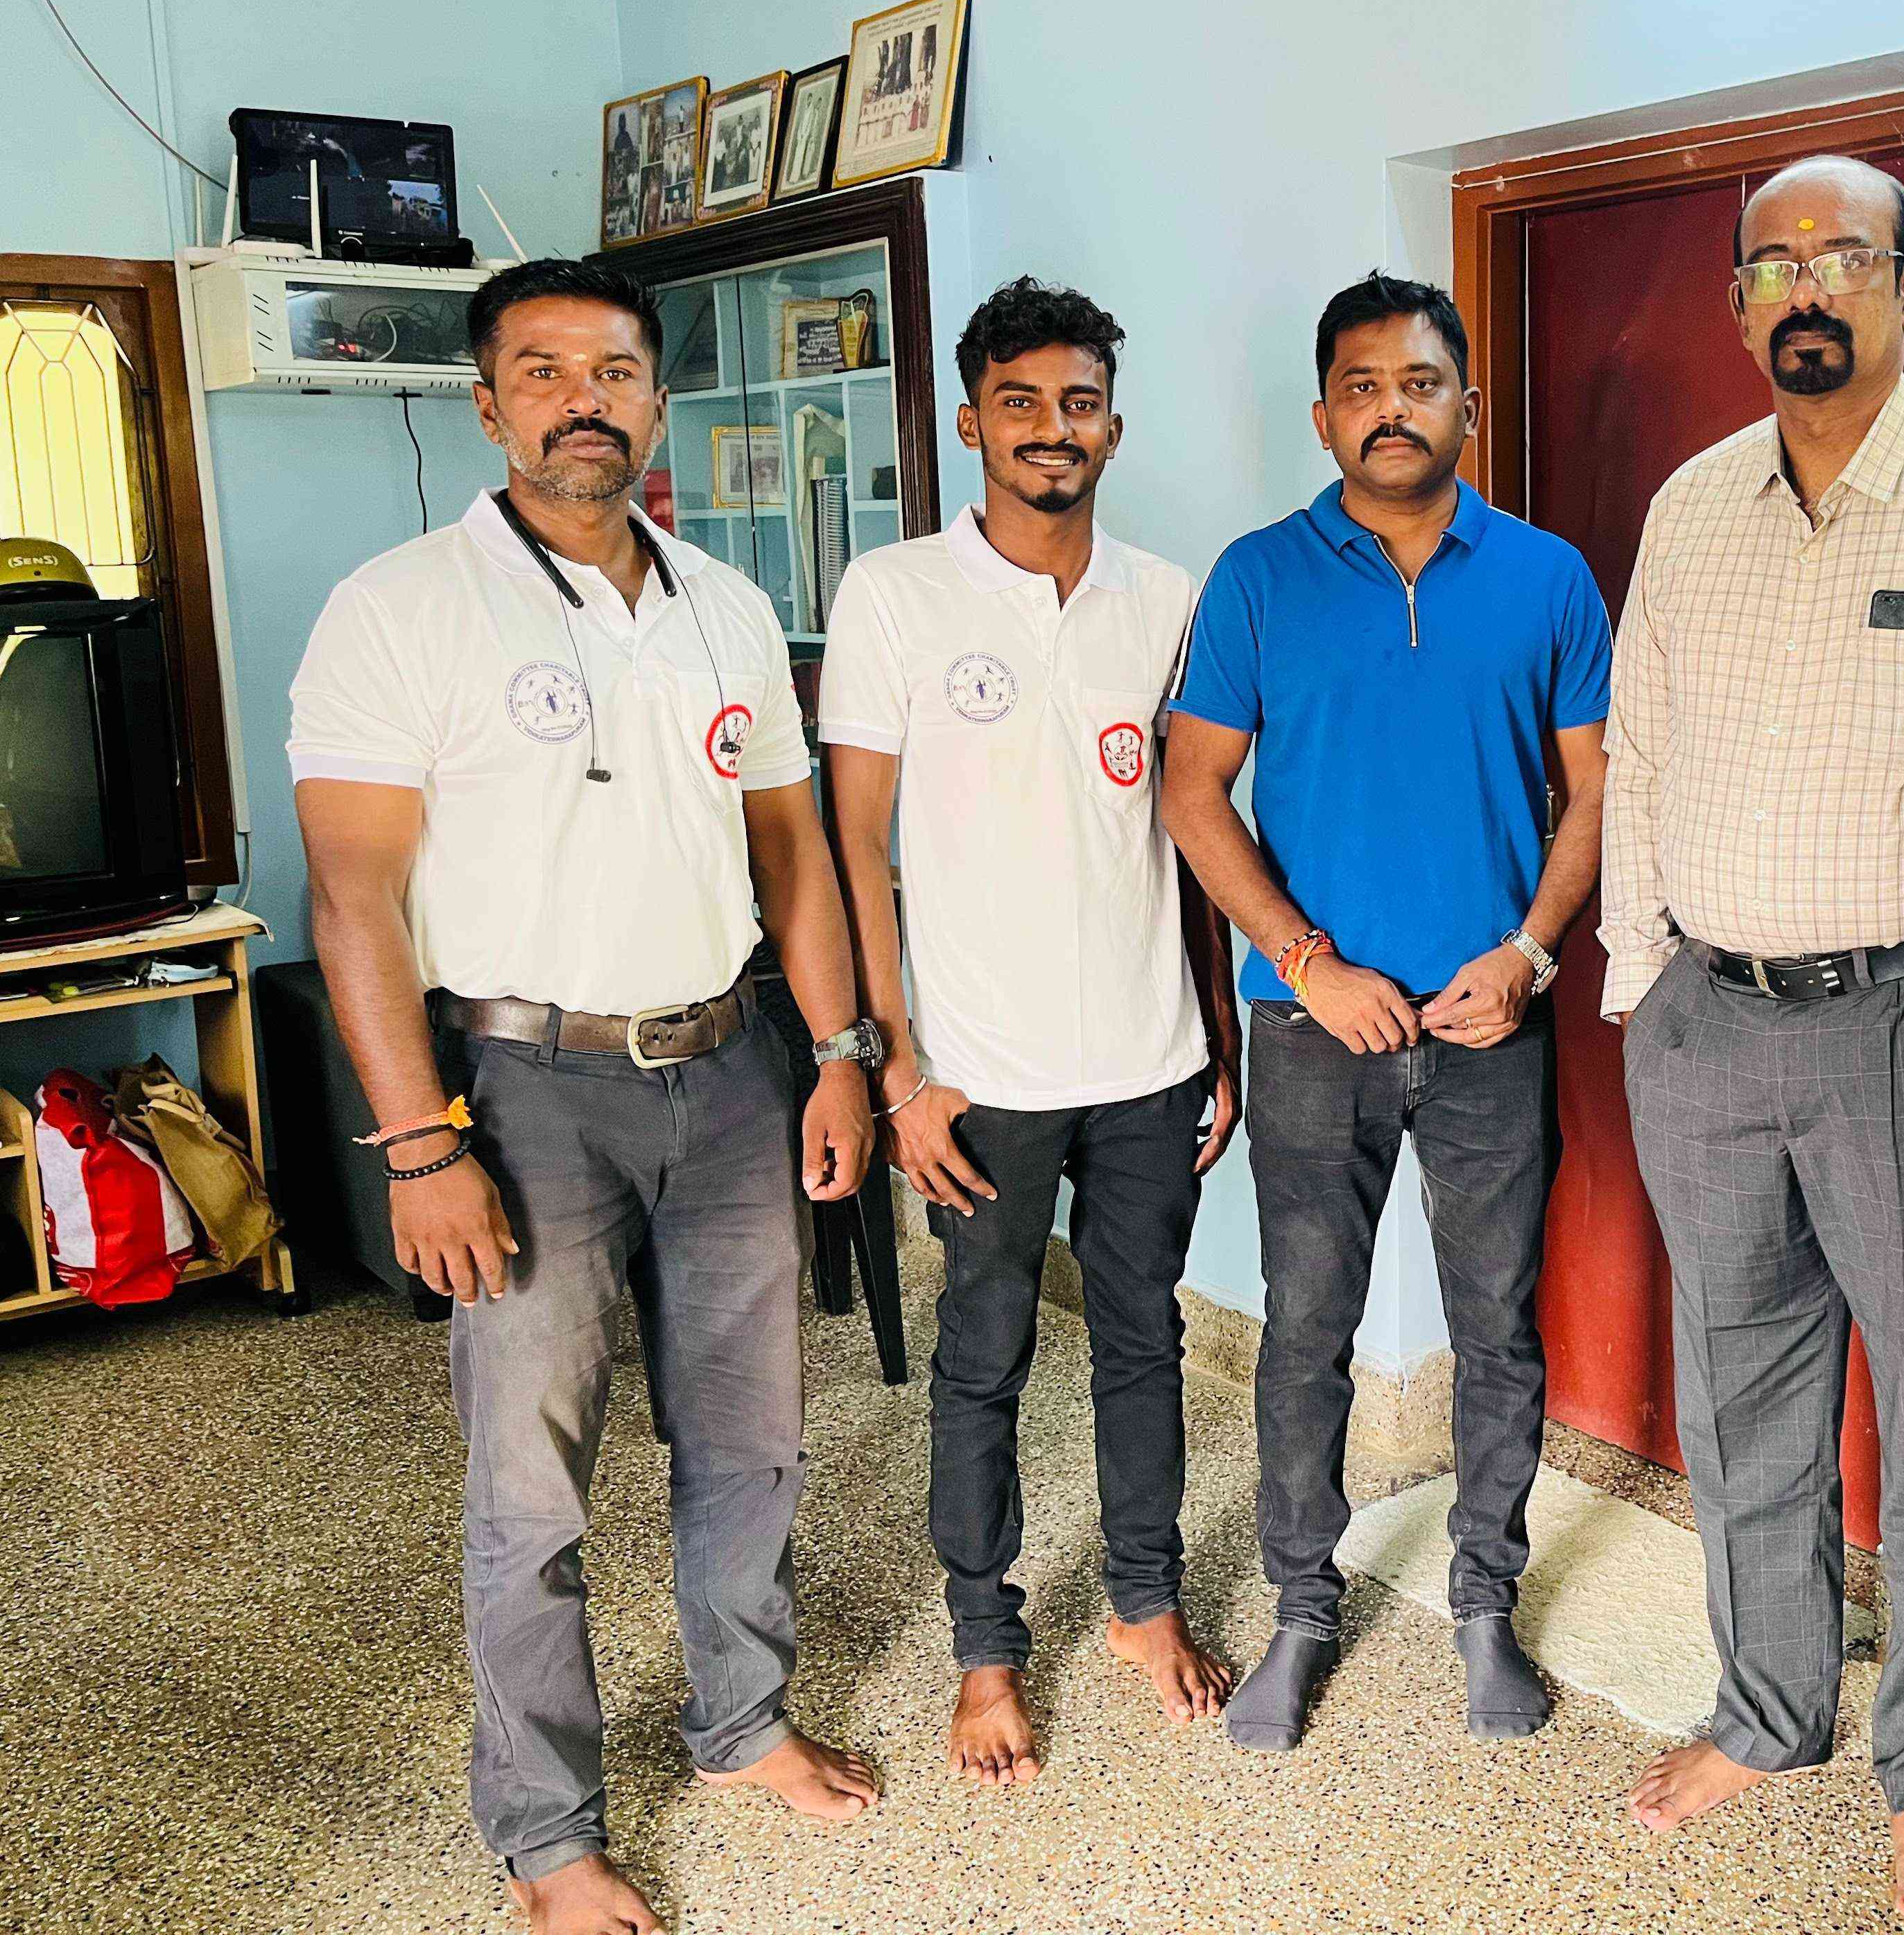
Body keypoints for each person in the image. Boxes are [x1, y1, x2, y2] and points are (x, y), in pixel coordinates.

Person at [291, 258, 883, 1935]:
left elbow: (792, 854)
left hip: (732, 1068)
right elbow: (353, 896)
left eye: (615, 371)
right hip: (521, 1085)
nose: (584, 402)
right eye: (544, 372)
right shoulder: (401, 607)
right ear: (489, 406)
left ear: (656, 403)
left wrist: (840, 1055)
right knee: (532, 1484)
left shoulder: (727, 608)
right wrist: (423, 1143)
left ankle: (743, 1724)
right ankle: (549, 1834)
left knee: (753, 1441)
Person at [1600, 154, 1904, 1923]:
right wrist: (1640, 990)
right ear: (1739, 302)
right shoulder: (1691, 504)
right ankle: (1769, 1711)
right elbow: (1639, 749)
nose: (1808, 287)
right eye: (1774, 263)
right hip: (1710, 1024)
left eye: (1846, 258)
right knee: (1744, 1399)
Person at [1160, 272, 1613, 1754]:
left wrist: (1531, 952)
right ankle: (1303, 1607)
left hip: (1490, 1024)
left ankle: (1486, 1600)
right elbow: (1192, 791)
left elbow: (1598, 790)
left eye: (1419, 383)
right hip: (1316, 1032)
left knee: (1498, 1329)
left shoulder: (1547, 578)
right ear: (1323, 416)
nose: (1391, 410)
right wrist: (1306, 961)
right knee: (1306, 1331)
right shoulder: (1257, 578)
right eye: (1361, 387)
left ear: (1465, 404)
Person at [820, 277, 1243, 1788]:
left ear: (1113, 428)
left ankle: (1143, 1602)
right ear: (971, 423)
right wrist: (897, 1068)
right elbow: (854, 846)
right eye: (1021, 403)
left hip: (1149, 1061)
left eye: (1078, 404)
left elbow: (1195, 826)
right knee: (983, 1358)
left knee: (1143, 1340)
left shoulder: (1171, 599)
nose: (1052, 429)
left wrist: (1221, 1038)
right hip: (977, 1077)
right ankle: (986, 1649)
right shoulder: (895, 597)